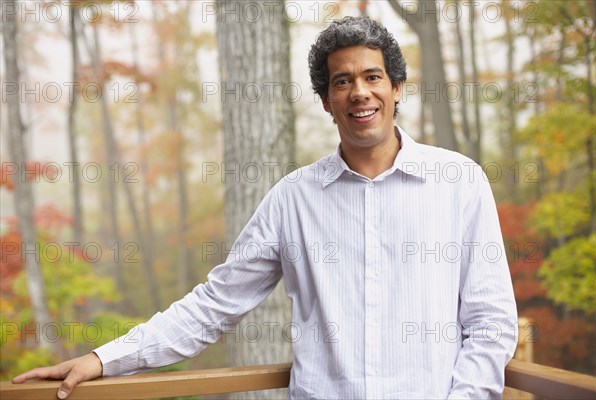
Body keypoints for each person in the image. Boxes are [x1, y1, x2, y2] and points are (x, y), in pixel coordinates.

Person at [13, 16, 518, 399]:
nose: (359, 92)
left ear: (397, 89)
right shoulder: (293, 200)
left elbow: (491, 322)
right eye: (342, 81)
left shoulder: (459, 182)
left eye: (372, 77)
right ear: (326, 100)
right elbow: (214, 306)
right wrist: (104, 359)